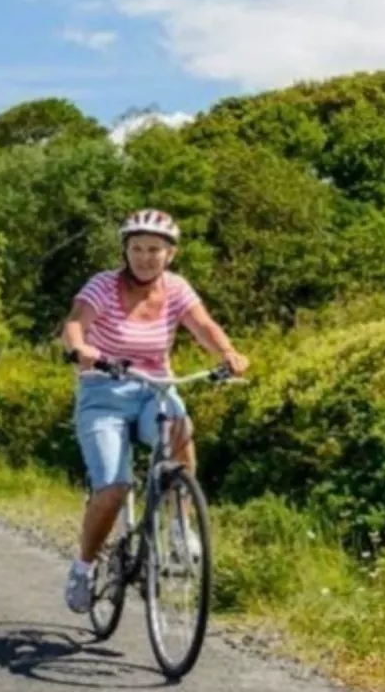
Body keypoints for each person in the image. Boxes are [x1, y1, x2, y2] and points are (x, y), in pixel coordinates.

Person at [57, 208, 249, 614]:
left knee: (181, 427)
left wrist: (227, 352)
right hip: (103, 394)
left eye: (155, 250)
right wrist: (81, 348)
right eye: (137, 248)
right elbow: (75, 323)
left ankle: (180, 526)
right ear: (125, 251)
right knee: (112, 487)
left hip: (153, 390)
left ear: (170, 255)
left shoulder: (176, 289)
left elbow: (203, 326)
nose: (145, 257)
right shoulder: (103, 286)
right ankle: (83, 567)